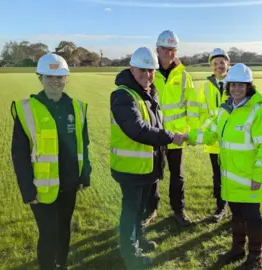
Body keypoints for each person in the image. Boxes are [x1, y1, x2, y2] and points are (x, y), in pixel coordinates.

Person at [187, 63, 262, 269]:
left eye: (241, 85)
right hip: (230, 178)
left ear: (249, 87)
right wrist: (187, 136)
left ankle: (255, 259)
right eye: (233, 85)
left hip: (249, 179)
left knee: (252, 218)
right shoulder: (224, 110)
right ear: (228, 86)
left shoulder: (258, 112)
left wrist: (259, 175)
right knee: (237, 215)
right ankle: (237, 249)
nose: (236, 89)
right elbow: (210, 134)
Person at [10, 53, 92, 270]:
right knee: (48, 233)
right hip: (42, 187)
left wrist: (85, 175)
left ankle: (60, 264)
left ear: (67, 79)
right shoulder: (27, 109)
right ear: (40, 78)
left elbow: (84, 145)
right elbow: (19, 154)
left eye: (60, 76)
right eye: (49, 76)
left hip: (69, 184)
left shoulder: (77, 108)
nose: (55, 81)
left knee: (64, 228)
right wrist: (27, 189)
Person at [110, 47, 185, 268]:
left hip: (149, 166)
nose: (147, 75)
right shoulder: (123, 95)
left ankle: (140, 239)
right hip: (131, 168)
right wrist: (171, 137)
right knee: (131, 210)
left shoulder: (150, 93)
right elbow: (137, 129)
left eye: (151, 70)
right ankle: (130, 251)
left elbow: (155, 125)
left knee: (143, 209)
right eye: (142, 70)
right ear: (131, 69)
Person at [143, 30, 200, 227]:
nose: (169, 53)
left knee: (177, 175)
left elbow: (192, 107)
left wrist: (191, 132)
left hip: (177, 136)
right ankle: (151, 209)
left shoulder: (184, 76)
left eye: (173, 49)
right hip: (155, 134)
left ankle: (179, 210)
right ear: (157, 49)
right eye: (165, 49)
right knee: (152, 174)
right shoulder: (149, 73)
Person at [198, 48, 231, 222]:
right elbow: (203, 113)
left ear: (228, 63)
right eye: (215, 63)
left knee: (233, 174)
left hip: (233, 139)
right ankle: (220, 207)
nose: (219, 66)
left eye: (222, 62)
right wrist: (209, 131)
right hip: (214, 140)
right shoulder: (206, 87)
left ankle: (236, 208)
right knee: (217, 175)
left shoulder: (237, 82)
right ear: (211, 67)